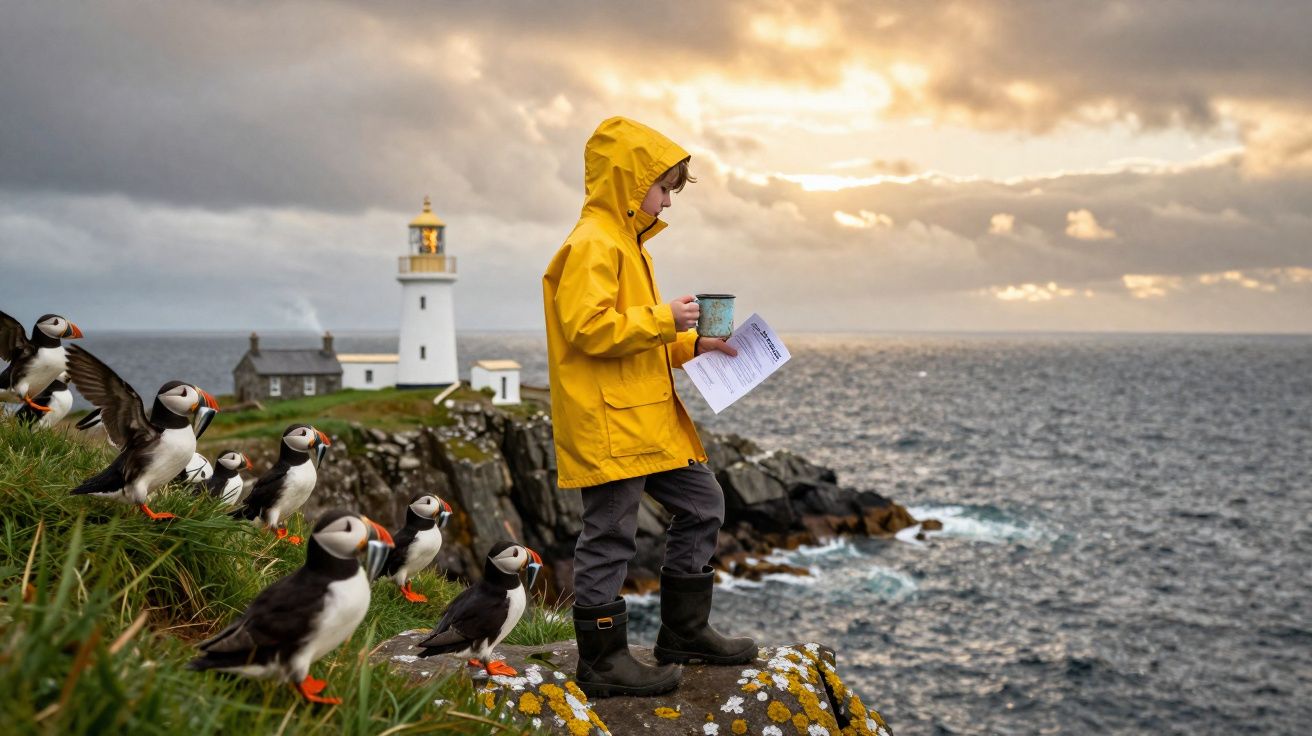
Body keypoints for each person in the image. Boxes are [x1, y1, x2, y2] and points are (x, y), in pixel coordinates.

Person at [542, 116, 757, 699]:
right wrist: (667, 318)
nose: (667, 201)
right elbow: (587, 330)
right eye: (664, 187)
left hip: (644, 417)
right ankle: (603, 662)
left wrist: (693, 344)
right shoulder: (593, 243)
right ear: (628, 180)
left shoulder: (626, 243)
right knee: (610, 535)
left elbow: (633, 341)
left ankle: (684, 633)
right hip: (612, 422)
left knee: (704, 501)